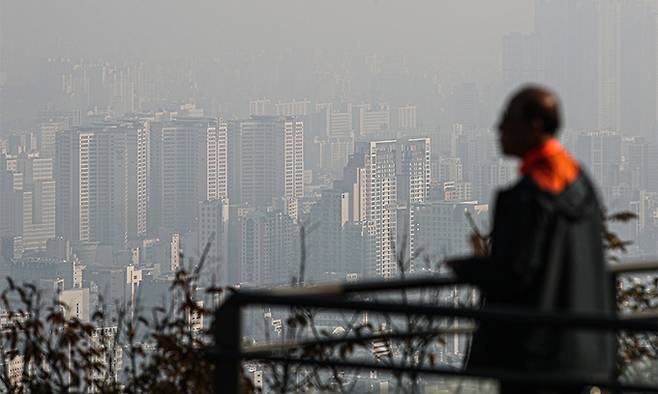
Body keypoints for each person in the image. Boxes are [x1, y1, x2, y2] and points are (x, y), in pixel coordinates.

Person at [447, 86, 616, 393]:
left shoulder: (528, 198)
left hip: (534, 360)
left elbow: (515, 275)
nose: (499, 128)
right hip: (584, 352)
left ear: (534, 125)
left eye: (507, 118)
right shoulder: (580, 183)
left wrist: (468, 268)